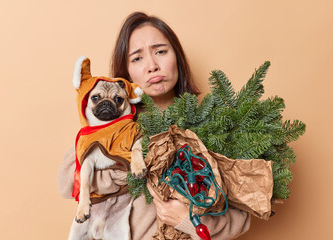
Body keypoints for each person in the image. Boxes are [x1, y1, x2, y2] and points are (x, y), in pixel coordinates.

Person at [58, 12, 250, 239]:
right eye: (137, 58)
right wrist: (129, 169)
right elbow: (68, 179)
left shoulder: (210, 125)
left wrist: (187, 220)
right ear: (126, 71)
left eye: (160, 51)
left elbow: (242, 217)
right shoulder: (116, 124)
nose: (152, 66)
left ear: (177, 57)